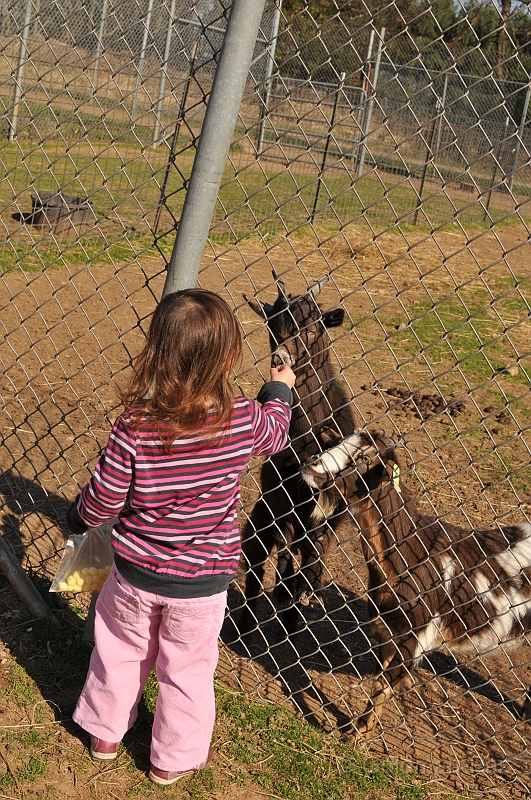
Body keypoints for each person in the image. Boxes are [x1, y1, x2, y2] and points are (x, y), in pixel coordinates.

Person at [65, 288, 295, 786]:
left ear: (157, 352)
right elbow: (277, 432)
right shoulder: (241, 420)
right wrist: (279, 389)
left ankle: (105, 732)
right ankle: (172, 758)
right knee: (186, 670)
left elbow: (103, 500)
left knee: (119, 650)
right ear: (229, 356)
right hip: (203, 581)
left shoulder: (134, 427)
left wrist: (77, 518)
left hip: (134, 573)